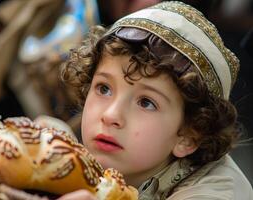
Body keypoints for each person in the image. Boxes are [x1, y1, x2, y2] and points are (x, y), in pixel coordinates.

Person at [52, 1, 253, 199]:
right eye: (104, 88)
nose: (111, 115)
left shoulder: (214, 194)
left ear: (189, 135)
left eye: (146, 102)